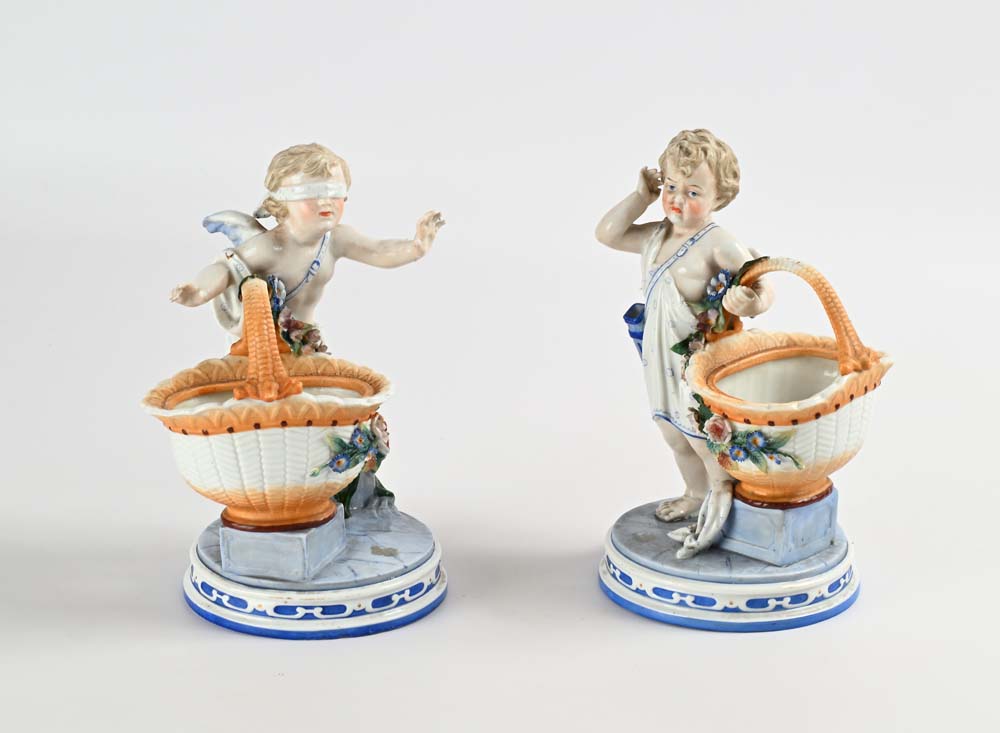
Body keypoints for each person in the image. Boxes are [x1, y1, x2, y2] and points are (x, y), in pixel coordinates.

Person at [595, 129, 774, 558]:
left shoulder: (719, 243)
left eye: (692, 192)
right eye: (671, 187)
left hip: (700, 359)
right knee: (672, 433)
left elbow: (763, 286)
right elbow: (607, 234)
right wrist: (640, 197)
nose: (676, 200)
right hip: (659, 355)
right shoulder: (656, 235)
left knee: (701, 435)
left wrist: (749, 300)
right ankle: (695, 494)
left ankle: (723, 503)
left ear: (719, 197)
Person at [170, 143, 444, 346]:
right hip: (261, 346)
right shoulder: (269, 247)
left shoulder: (336, 239)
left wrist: (416, 247)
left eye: (334, 192)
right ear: (281, 201)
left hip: (307, 343)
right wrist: (198, 291)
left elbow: (377, 251)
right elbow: (225, 268)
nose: (325, 202)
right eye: (311, 194)